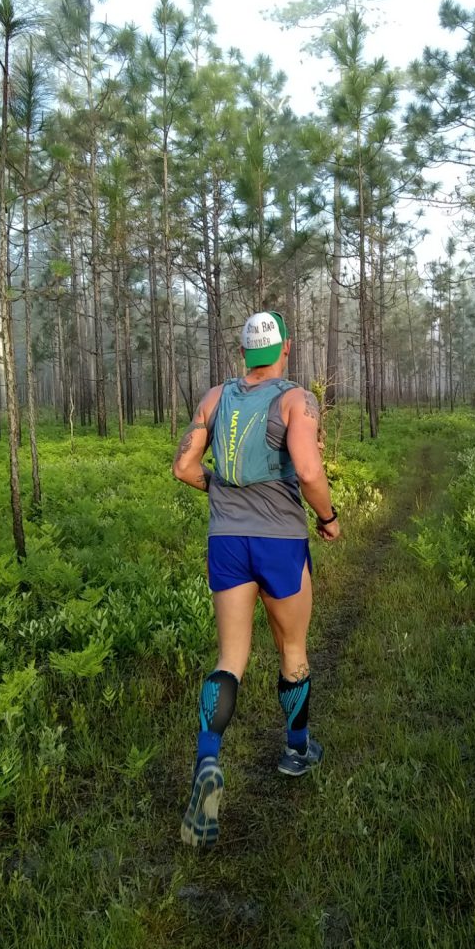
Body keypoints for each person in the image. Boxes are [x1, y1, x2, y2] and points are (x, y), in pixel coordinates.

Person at [172, 310, 341, 848]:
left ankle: (207, 761)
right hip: (280, 542)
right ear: (285, 349)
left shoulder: (215, 398)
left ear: (243, 351)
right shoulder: (296, 400)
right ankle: (296, 751)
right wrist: (329, 518)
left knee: (230, 658)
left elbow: (184, 466)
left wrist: (220, 492)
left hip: (226, 541)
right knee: (292, 649)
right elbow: (309, 471)